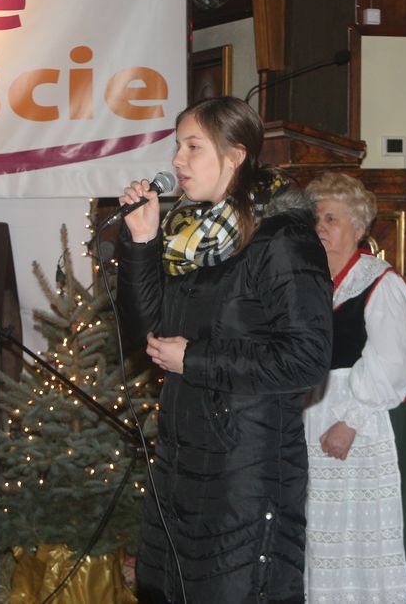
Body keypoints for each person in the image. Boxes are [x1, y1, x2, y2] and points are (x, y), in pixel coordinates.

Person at [116, 96, 333, 603]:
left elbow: (307, 358)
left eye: (193, 146)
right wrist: (143, 241)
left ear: (236, 155)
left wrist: (195, 359)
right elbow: (147, 333)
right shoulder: (189, 237)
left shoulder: (282, 238)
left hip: (246, 468)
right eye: (177, 146)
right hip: (181, 457)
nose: (177, 160)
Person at [301, 172, 406, 603]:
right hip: (311, 414)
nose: (320, 228)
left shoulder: (380, 283)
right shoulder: (307, 283)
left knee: (360, 534)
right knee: (319, 532)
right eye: (316, 219)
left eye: (331, 219)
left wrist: (350, 422)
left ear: (358, 228)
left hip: (363, 422)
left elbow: (393, 363)